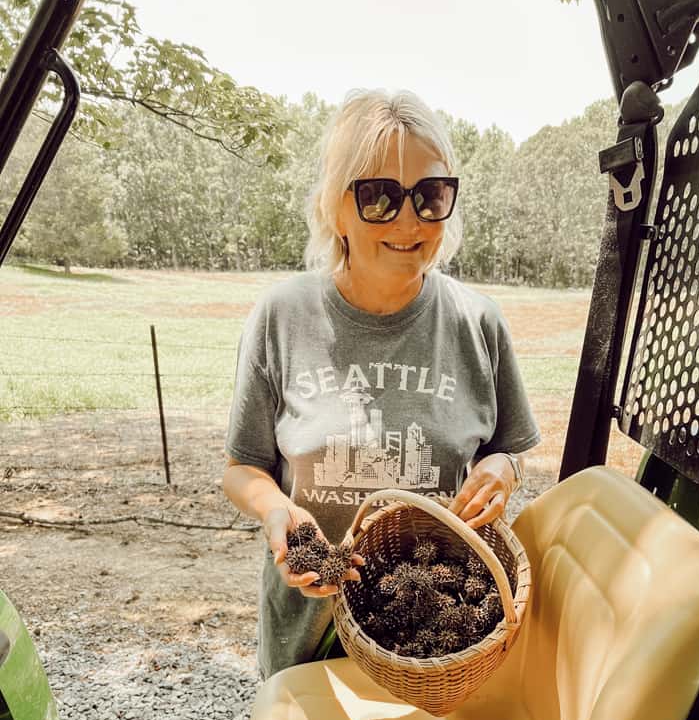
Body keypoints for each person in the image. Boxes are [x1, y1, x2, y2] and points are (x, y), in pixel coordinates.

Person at [223, 89, 540, 680]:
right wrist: (274, 510)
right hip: (306, 636)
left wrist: (505, 471)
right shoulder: (282, 317)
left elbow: (508, 450)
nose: (409, 220)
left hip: (438, 643)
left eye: (430, 195)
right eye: (378, 197)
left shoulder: (478, 322)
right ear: (334, 207)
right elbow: (242, 468)